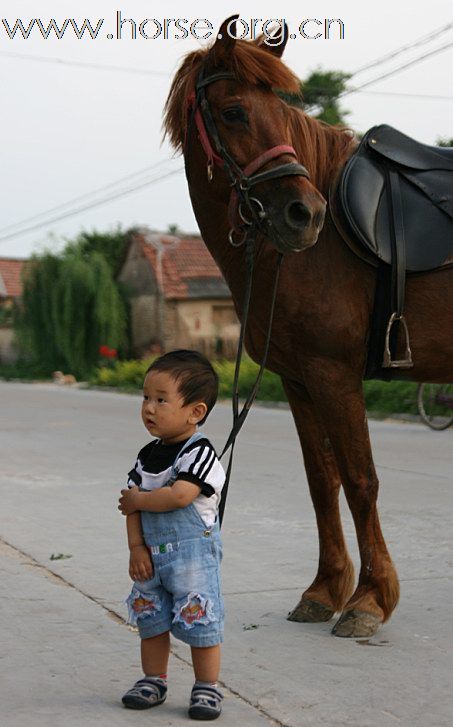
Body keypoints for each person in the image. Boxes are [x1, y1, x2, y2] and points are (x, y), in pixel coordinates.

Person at [118, 349, 225, 720]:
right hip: (150, 556)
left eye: (161, 400)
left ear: (195, 412)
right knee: (151, 620)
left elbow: (180, 495)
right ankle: (153, 679)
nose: (149, 407)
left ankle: (207, 687)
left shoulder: (199, 453)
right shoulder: (147, 455)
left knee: (201, 620)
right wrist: (136, 548)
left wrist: (139, 499)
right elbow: (129, 507)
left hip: (192, 557)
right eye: (146, 397)